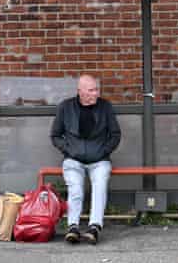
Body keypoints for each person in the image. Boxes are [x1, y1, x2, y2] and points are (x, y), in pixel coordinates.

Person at [50, 75, 121, 245]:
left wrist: (104, 151)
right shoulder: (65, 107)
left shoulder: (105, 107)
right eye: (91, 90)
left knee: (100, 186)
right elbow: (55, 135)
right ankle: (72, 227)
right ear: (80, 91)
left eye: (96, 90)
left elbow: (115, 134)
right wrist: (69, 149)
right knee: (75, 190)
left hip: (99, 160)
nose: (96, 93)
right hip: (73, 160)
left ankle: (94, 227)